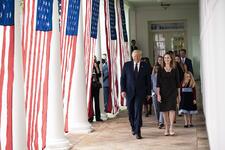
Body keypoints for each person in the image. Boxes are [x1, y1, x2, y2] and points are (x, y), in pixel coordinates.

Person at [120, 50, 151, 139]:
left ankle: (138, 131)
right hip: (129, 92)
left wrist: (148, 92)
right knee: (130, 111)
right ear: (132, 56)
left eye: (138, 56)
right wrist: (123, 90)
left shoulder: (145, 66)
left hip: (140, 93)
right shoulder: (127, 65)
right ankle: (133, 126)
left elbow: (148, 80)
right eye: (134, 56)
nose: (136, 57)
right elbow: (123, 79)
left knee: (138, 111)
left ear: (141, 57)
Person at [157, 52, 180, 136]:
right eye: (165, 58)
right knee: (164, 111)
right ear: (163, 59)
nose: (166, 59)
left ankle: (171, 128)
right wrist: (158, 94)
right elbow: (158, 84)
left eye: (168, 58)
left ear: (171, 59)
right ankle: (166, 127)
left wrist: (179, 95)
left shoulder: (175, 69)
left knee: (172, 110)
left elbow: (178, 84)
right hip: (163, 93)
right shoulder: (160, 69)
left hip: (173, 92)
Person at [88, 56, 103, 122]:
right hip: (90, 87)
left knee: (97, 102)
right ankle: (90, 117)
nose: (94, 60)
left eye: (94, 59)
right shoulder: (87, 65)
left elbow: (99, 75)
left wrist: (96, 66)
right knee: (90, 102)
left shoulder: (96, 66)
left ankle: (98, 117)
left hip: (96, 86)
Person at [151, 64, 164, 129]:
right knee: (156, 108)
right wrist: (152, 92)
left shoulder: (162, 76)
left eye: (158, 68)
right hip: (154, 94)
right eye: (156, 68)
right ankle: (158, 121)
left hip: (161, 94)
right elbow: (150, 85)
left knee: (161, 107)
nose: (157, 70)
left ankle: (161, 122)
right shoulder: (152, 76)